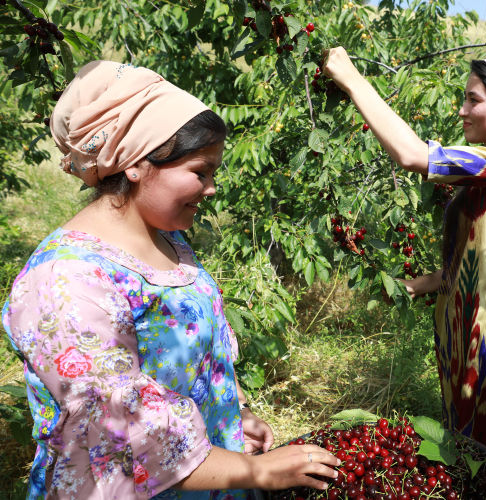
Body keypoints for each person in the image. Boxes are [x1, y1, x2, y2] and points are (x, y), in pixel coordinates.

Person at [1, 61, 339, 499]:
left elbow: (191, 361)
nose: (212, 188)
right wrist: (258, 472)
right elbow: (119, 431)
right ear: (137, 164)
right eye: (201, 171)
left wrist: (234, 415)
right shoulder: (66, 280)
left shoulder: (168, 242)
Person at [323, 45, 486, 450]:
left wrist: (352, 80)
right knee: (465, 444)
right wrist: (429, 282)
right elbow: (485, 248)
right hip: (465, 330)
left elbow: (413, 156)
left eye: (474, 100)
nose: (462, 111)